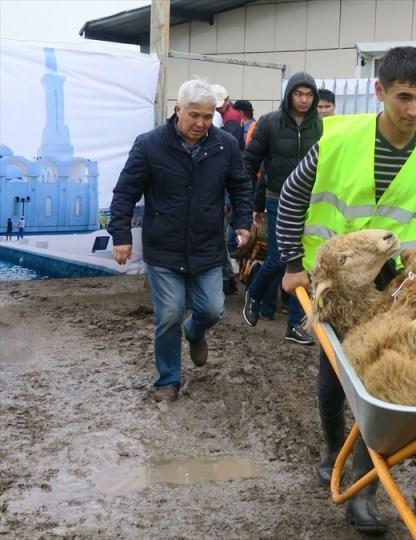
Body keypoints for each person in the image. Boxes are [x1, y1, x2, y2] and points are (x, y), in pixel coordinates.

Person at [277, 46, 416, 535]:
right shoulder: (339, 138)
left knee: (379, 377)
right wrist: (291, 264)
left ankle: (362, 488)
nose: (414, 110)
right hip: (341, 280)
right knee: (335, 374)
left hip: (398, 279)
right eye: (404, 97)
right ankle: (332, 450)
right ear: (380, 90)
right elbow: (292, 195)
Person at [108, 79, 253, 403]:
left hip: (207, 246)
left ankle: (195, 331)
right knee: (170, 313)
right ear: (178, 110)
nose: (201, 123)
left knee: (213, 309)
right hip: (164, 247)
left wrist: (242, 223)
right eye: (194, 115)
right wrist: (121, 236)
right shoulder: (150, 145)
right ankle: (168, 379)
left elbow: (241, 187)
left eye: (208, 116)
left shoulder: (225, 146)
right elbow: (125, 193)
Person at [241, 71, 322, 345]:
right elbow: (251, 162)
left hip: (311, 200)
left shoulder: (321, 127)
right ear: (289, 95)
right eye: (299, 94)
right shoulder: (269, 123)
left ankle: (296, 325)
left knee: (303, 262)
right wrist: (250, 202)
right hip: (278, 197)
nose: (304, 100)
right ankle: (254, 292)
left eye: (309, 94)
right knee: (279, 258)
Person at [211, 84, 245, 149]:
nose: (217, 108)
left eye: (219, 106)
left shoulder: (232, 118)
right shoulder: (222, 114)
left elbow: (228, 144)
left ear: (227, 100)